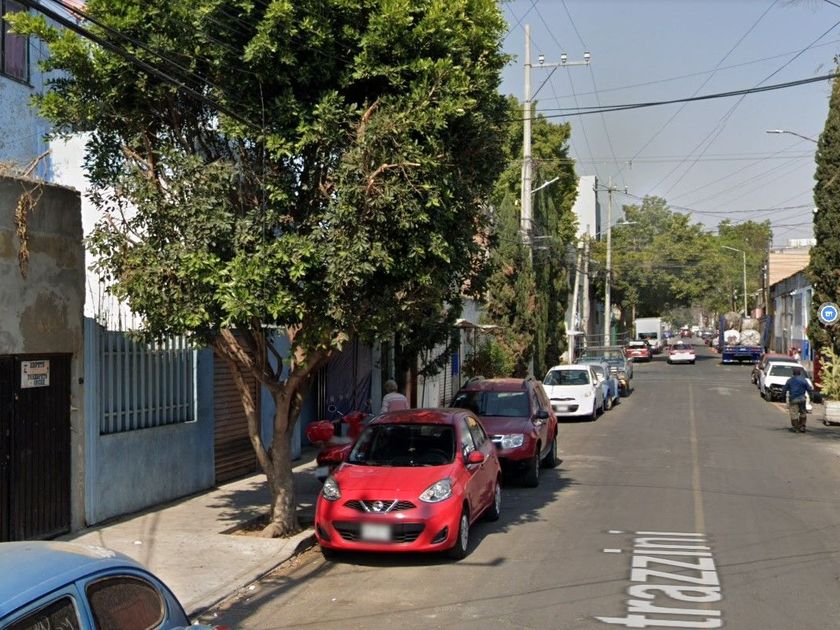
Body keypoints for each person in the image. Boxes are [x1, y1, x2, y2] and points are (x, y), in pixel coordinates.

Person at [781, 367, 814, 433]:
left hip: (793, 399)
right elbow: (809, 389)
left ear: (793, 373)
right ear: (800, 373)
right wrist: (811, 397)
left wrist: (783, 397)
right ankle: (802, 426)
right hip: (802, 399)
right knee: (803, 412)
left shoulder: (790, 380)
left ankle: (796, 428)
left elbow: (784, 389)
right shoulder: (804, 380)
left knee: (794, 413)